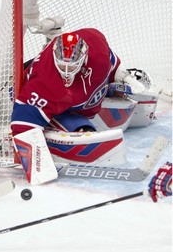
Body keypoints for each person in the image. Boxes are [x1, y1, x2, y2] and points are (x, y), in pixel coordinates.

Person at [10, 28, 148, 184]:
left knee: (123, 88)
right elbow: (23, 122)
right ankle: (78, 125)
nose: (67, 72)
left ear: (84, 55)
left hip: (85, 98)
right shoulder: (43, 83)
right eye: (62, 66)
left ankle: (106, 96)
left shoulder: (96, 47)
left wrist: (125, 77)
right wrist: (38, 167)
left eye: (72, 66)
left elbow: (112, 63)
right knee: (79, 125)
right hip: (62, 106)